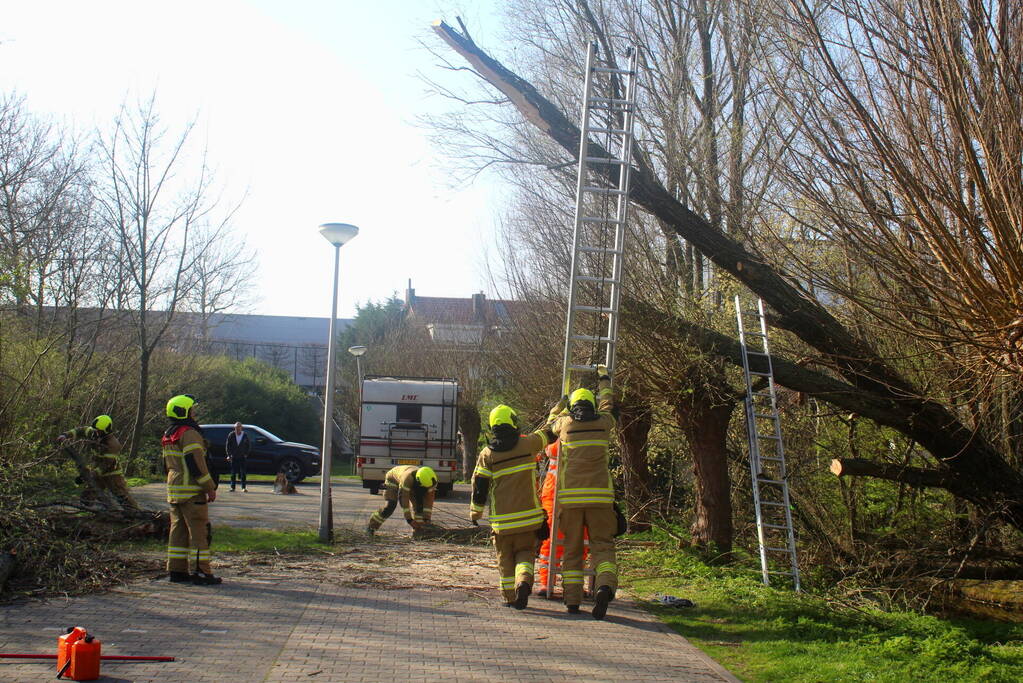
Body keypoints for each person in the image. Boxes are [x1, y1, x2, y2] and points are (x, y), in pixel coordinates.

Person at [547, 364, 618, 619]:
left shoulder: (565, 425)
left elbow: (550, 423)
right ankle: (604, 586)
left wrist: (560, 406)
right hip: (601, 499)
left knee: (572, 550)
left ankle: (572, 601)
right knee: (603, 546)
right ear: (593, 406)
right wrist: (604, 379)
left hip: (571, 500)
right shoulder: (605, 422)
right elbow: (608, 403)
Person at [470, 405, 553, 609]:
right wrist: (558, 413)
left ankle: (510, 598)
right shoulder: (528, 443)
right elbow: (550, 434)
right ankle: (523, 581)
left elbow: (480, 486)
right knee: (525, 554)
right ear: (514, 422)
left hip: (503, 524)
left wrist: (476, 512)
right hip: (529, 520)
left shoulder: (487, 454)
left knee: (505, 560)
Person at [162, 394, 221, 585]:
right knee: (199, 532)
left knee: (177, 531)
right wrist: (209, 487)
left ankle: (176, 571)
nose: (194, 413)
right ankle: (200, 572)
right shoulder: (189, 433)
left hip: (175, 490)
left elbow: (166, 465)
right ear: (184, 412)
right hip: (192, 492)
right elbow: (196, 463)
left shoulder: (169, 434)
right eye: (192, 410)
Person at [534, 439, 588, 598]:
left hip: (575, 497)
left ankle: (572, 585)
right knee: (553, 540)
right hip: (556, 497)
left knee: (579, 542)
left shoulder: (578, 437)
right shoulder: (577, 438)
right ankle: (548, 582)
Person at [57, 414, 140, 510]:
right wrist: (65, 435)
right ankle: (93, 513)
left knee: (122, 497)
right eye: (95, 430)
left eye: (98, 431)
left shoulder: (113, 444)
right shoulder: (94, 432)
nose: (95, 433)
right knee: (87, 496)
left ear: (106, 430)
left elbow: (105, 466)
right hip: (97, 470)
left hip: (112, 474)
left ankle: (136, 514)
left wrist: (88, 476)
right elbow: (81, 430)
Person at [366, 465, 438, 535]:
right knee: (390, 506)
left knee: (419, 507)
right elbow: (404, 501)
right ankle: (371, 526)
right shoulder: (407, 479)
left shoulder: (431, 482)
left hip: (412, 483)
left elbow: (428, 501)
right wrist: (409, 520)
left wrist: (426, 519)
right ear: (419, 482)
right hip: (393, 479)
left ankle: (418, 533)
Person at [225, 422, 250, 492]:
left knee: (243, 473)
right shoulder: (231, 435)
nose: (238, 428)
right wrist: (229, 455)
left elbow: (248, 445)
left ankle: (243, 487)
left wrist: (246, 454)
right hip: (234, 456)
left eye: (239, 427)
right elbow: (228, 445)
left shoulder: (245, 435)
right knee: (233, 473)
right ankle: (232, 487)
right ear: (234, 428)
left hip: (242, 457)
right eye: (236, 427)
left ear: (241, 428)